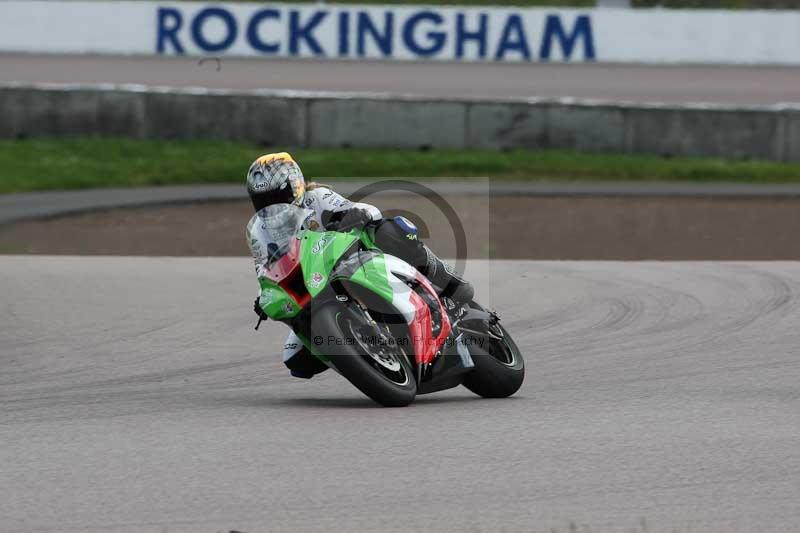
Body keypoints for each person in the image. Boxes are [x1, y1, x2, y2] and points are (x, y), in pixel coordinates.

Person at [246, 152, 473, 378]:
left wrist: (355, 215)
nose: (272, 207)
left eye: (277, 197)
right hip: (314, 285)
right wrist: (264, 295)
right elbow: (265, 271)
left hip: (353, 259)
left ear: (295, 185)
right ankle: (368, 356)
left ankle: (446, 279)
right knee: (296, 361)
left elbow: (367, 211)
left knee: (388, 232)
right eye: (263, 201)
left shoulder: (317, 197)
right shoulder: (260, 232)